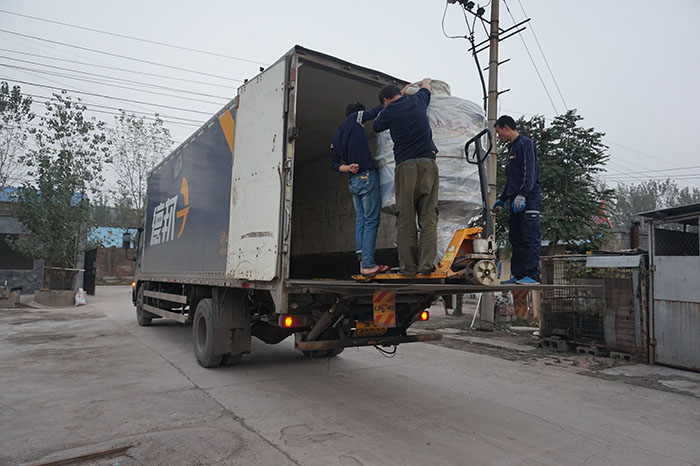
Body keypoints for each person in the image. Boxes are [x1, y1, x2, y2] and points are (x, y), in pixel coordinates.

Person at [373, 79, 439, 276]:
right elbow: (426, 89)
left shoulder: (388, 111)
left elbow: (376, 126)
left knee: (406, 217)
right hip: (428, 164)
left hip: (406, 167)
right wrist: (425, 82)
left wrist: (388, 106)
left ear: (385, 100)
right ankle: (426, 266)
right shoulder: (418, 100)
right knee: (428, 217)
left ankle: (409, 268)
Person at [330, 102, 389, 277]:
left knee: (361, 220)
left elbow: (333, 163)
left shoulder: (336, 136)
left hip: (354, 180)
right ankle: (368, 264)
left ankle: (363, 260)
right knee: (371, 221)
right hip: (366, 177)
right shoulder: (355, 118)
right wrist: (392, 100)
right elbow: (377, 110)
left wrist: (347, 168)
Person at [492, 115, 542, 284]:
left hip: (529, 198)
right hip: (515, 200)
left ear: (506, 128)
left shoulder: (525, 144)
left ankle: (532, 275)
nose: (499, 137)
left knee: (529, 236)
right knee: (516, 238)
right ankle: (519, 275)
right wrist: (502, 199)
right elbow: (511, 179)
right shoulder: (511, 149)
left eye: (499, 133)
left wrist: (523, 194)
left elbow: (531, 172)